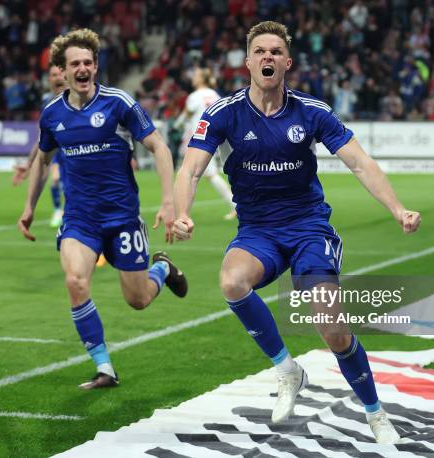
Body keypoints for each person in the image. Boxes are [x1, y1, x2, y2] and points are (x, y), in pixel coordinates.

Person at [172, 21, 420, 444]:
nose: (267, 58)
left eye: (275, 52)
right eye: (259, 51)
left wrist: (397, 208)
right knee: (232, 281)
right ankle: (288, 369)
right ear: (248, 61)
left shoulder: (312, 111)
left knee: (332, 327)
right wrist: (181, 212)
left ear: (287, 62)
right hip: (258, 230)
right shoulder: (222, 113)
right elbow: (192, 168)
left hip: (308, 227)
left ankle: (375, 412)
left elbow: (360, 162)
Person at [17, 29, 188, 389]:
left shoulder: (118, 103)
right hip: (80, 220)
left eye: (88, 63)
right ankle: (104, 368)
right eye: (74, 63)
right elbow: (43, 159)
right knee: (75, 281)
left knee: (138, 300)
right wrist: (29, 206)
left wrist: (169, 202)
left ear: (95, 67)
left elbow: (159, 147)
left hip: (123, 218)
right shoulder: (52, 114)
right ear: (62, 71)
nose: (82, 69)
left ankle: (161, 268)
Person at [174, 67, 237, 220]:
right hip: (215, 136)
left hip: (199, 140)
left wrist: (176, 125)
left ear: (202, 78)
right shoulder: (214, 94)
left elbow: (186, 115)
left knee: (193, 174)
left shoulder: (194, 96)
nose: (193, 78)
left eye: (195, 75)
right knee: (194, 174)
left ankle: (182, 214)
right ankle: (182, 211)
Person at [13, 64, 67, 228]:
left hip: (78, 149)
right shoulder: (47, 102)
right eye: (53, 75)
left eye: (60, 74)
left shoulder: (78, 98)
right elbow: (41, 138)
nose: (57, 78)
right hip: (58, 149)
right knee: (56, 179)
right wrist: (29, 164)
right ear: (48, 80)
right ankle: (58, 210)